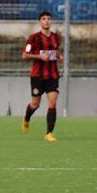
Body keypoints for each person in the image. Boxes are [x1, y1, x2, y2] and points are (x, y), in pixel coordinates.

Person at [21, 11, 62, 142]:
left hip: (52, 75)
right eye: (44, 19)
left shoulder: (56, 37)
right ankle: (26, 119)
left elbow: (56, 51)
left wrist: (59, 56)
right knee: (35, 104)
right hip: (37, 76)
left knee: (52, 102)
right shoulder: (33, 38)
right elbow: (24, 55)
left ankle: (49, 133)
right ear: (40, 21)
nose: (46, 21)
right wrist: (39, 56)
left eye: (49, 19)